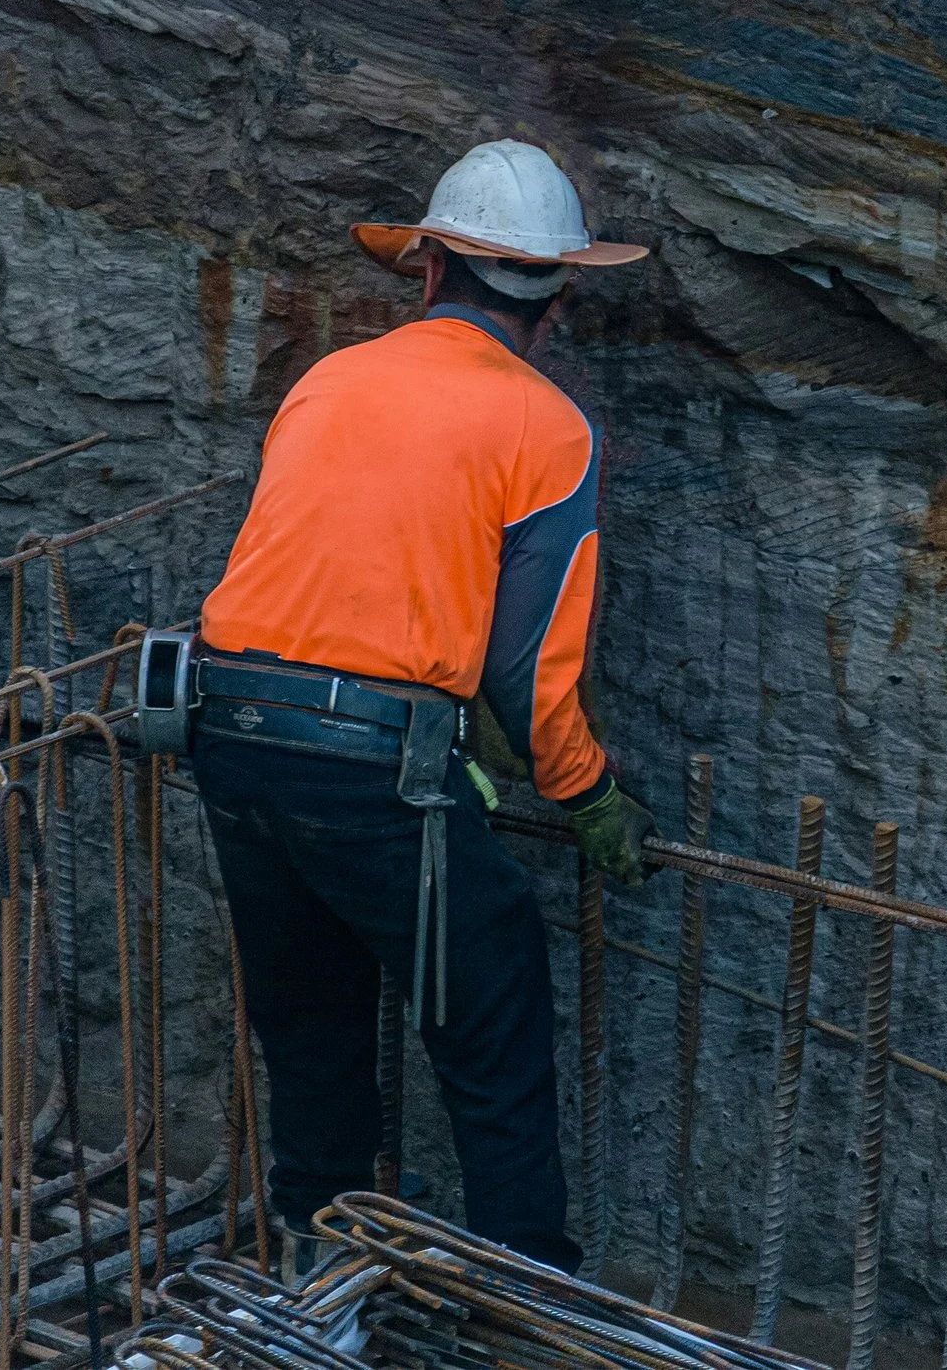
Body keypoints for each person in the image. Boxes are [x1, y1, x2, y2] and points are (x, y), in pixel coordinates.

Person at [189, 138, 659, 1273]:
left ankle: (320, 1275)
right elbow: (525, 669)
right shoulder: (548, 427)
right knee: (489, 1023)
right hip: (374, 764)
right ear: (555, 301)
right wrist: (586, 789)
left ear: (430, 271)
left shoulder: (328, 378)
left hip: (230, 730)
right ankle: (524, 1296)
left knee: (311, 1028)